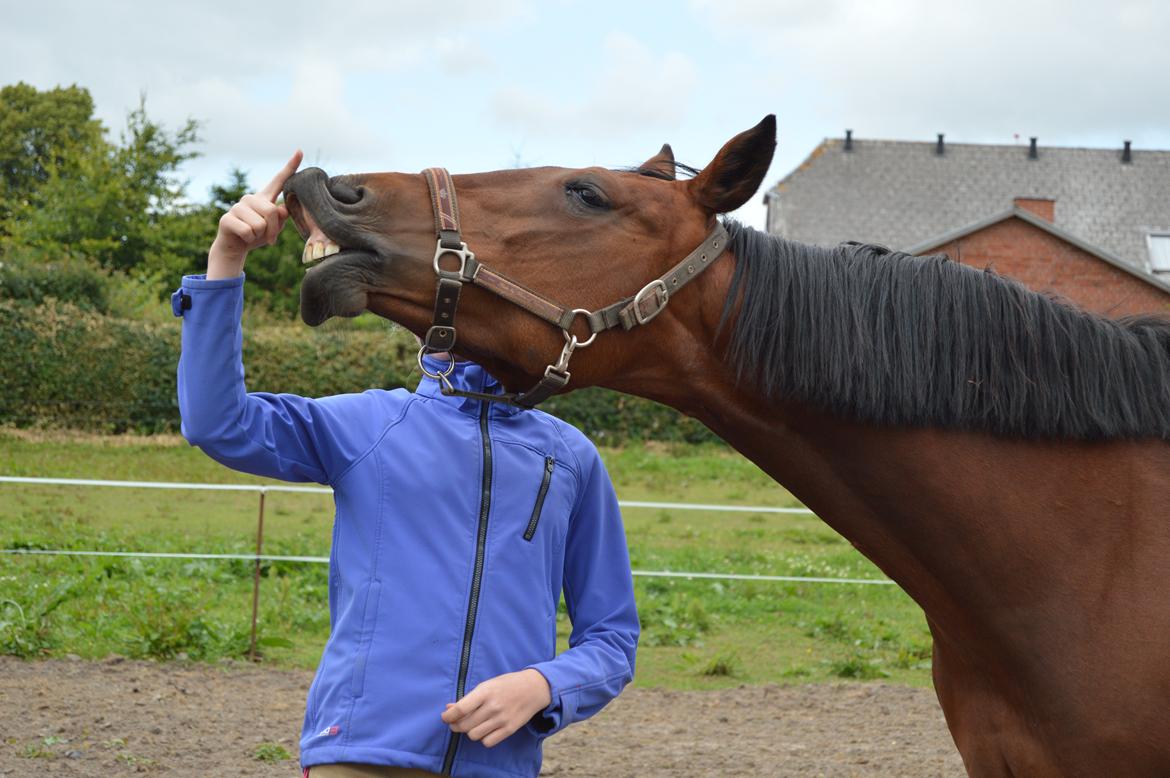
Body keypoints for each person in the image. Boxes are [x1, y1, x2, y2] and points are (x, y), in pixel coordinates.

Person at [173, 152, 639, 778]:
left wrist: (543, 685)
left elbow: (611, 639)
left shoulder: (572, 459)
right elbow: (217, 423)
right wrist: (225, 261)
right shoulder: (367, 425)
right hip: (360, 756)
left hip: (498, 765)